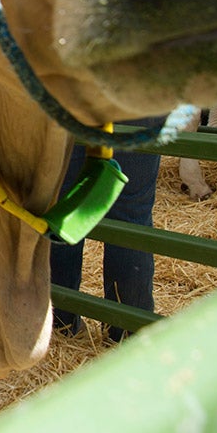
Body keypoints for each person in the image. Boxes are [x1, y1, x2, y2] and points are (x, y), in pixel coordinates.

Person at [50, 119, 162, 342]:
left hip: (79, 101)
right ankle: (127, 330)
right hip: (137, 106)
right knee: (130, 218)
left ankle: (61, 325)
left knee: (65, 209)